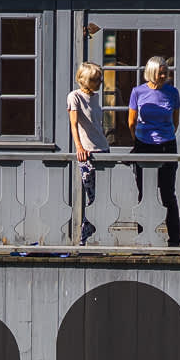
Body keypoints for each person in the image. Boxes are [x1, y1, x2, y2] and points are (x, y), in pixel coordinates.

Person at [128, 55, 180, 247]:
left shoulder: (172, 92)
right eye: (160, 72)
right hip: (144, 144)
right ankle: (143, 237)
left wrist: (164, 135)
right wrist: (140, 140)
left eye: (165, 72)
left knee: (168, 192)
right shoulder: (138, 92)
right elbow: (131, 122)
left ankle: (174, 239)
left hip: (167, 145)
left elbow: (175, 121)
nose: (163, 75)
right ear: (151, 72)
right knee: (144, 192)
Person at [65, 61, 108, 245]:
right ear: (84, 80)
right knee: (91, 198)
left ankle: (98, 238)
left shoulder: (97, 97)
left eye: (100, 79)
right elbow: (73, 124)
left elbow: (98, 125)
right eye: (95, 79)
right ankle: (84, 239)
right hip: (88, 154)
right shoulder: (74, 97)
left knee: (104, 198)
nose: (99, 82)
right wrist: (79, 148)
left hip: (104, 150)